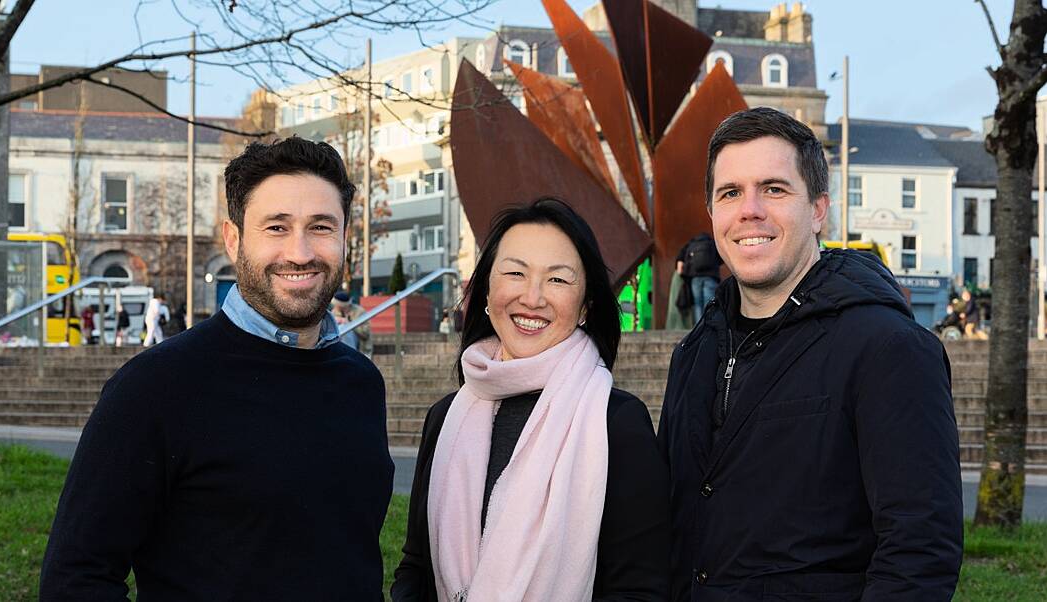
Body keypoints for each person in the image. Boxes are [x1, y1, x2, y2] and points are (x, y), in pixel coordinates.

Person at [40, 137, 393, 600]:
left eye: (321, 226)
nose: (301, 252)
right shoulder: (156, 386)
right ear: (233, 239)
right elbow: (76, 579)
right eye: (276, 227)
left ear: (345, 236)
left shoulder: (362, 383)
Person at [657, 108, 963, 600]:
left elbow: (919, 550)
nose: (749, 209)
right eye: (730, 192)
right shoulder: (694, 353)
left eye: (774, 189)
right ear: (712, 214)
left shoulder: (889, 349)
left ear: (819, 209)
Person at [392, 198, 670, 601]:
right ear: (487, 290)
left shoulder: (616, 423)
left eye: (557, 280)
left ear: (585, 307)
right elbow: (416, 567)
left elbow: (639, 589)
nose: (533, 297)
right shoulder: (444, 417)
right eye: (515, 273)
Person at [676, 231, 723, 323]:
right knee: (709, 302)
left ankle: (699, 327)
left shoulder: (692, 244)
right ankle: (709, 326)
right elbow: (720, 258)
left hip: (695, 278)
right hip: (710, 277)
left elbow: (685, 259)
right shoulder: (712, 243)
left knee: (698, 304)